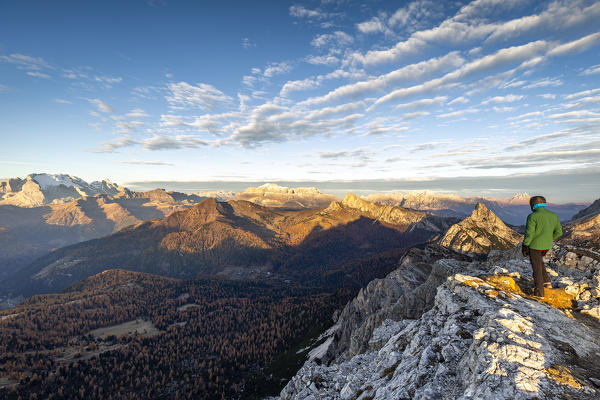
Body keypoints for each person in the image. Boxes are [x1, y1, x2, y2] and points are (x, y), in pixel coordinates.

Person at [522, 195, 562, 297]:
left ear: (533, 205)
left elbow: (529, 234)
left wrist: (525, 245)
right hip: (547, 245)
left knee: (536, 268)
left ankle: (539, 293)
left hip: (535, 245)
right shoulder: (554, 215)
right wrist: (549, 239)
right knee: (539, 261)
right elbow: (559, 232)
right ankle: (546, 281)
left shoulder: (532, 216)